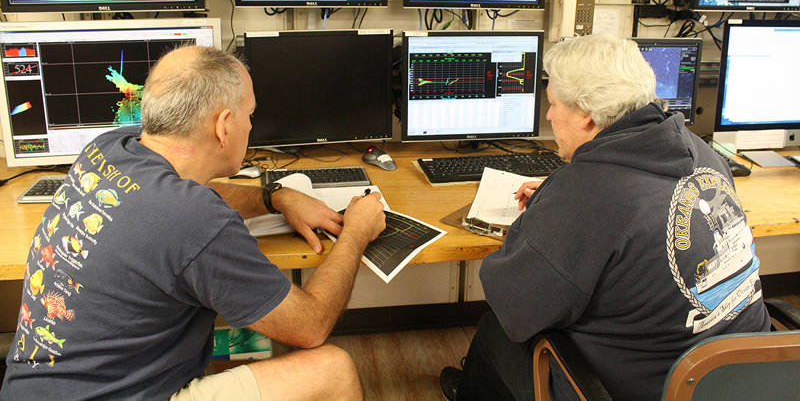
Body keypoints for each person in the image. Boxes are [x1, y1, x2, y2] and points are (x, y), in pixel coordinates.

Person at [0, 45, 386, 401]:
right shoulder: (196, 220)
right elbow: (310, 325)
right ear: (224, 125)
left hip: (30, 386)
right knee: (332, 368)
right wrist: (355, 231)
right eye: (250, 115)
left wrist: (274, 197)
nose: (252, 127)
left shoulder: (108, 148)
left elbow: (180, 198)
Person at [440, 34, 771, 401]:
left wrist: (550, 212)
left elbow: (511, 302)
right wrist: (561, 201)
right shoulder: (701, 152)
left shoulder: (585, 196)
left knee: (494, 332)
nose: (548, 116)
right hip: (753, 376)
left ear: (587, 114)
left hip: (648, 390)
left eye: (552, 104)